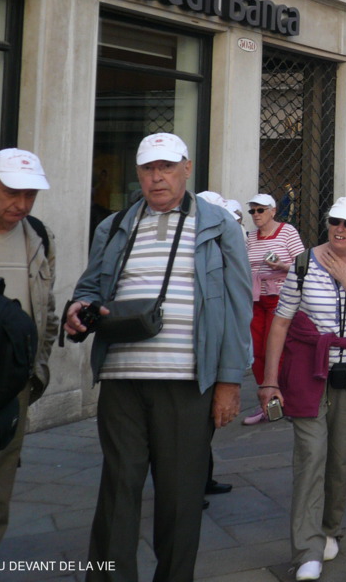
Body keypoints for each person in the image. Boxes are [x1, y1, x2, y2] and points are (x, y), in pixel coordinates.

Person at [64, 132, 251, 582]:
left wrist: (229, 382)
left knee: (180, 497)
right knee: (117, 490)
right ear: (138, 174)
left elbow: (237, 306)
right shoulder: (114, 226)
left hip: (187, 383)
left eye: (166, 167)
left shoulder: (219, 226)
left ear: (186, 168)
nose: (157, 177)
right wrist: (78, 307)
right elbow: (89, 287)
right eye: (148, 169)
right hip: (121, 379)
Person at [258, 198, 346, 580]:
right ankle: (307, 548)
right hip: (308, 373)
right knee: (311, 456)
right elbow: (281, 323)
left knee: (340, 458)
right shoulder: (303, 262)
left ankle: (330, 528)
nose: (339, 229)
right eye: (334, 221)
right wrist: (269, 381)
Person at [0, 149, 55, 569]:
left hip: (9, 390)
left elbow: (47, 310)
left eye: (30, 195)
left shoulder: (39, 235)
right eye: (12, 192)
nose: (21, 204)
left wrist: (35, 367)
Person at [243, 193, 306, 424]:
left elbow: (303, 265)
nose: (256, 215)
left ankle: (283, 398)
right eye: (252, 211)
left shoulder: (287, 232)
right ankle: (267, 401)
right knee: (257, 350)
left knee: (275, 349)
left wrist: (281, 265)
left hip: (280, 297)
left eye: (260, 210)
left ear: (273, 211)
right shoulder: (250, 237)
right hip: (256, 298)